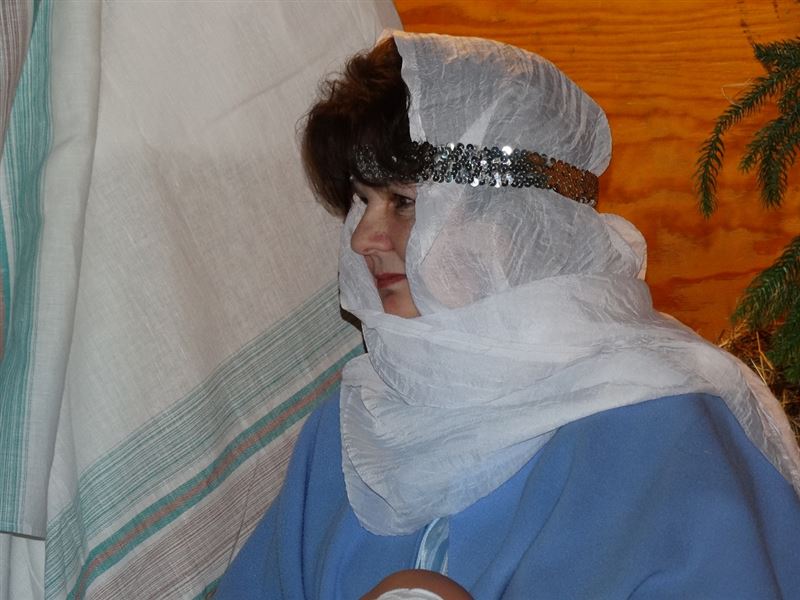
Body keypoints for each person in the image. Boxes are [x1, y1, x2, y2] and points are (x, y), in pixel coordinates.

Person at [215, 31, 800, 599]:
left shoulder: (668, 430)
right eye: (363, 201)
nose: (363, 237)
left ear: (515, 221)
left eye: (404, 202)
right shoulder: (350, 429)